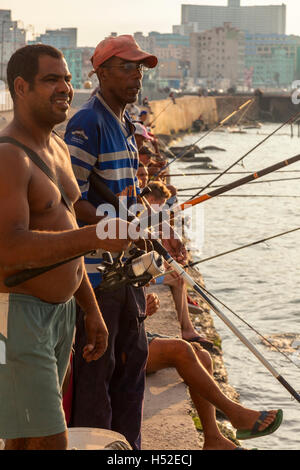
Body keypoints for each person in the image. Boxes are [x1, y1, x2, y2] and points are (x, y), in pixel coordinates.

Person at [0, 44, 129, 451]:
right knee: (50, 440)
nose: (66, 89)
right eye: (51, 80)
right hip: (18, 319)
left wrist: (89, 309)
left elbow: (64, 229)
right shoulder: (8, 157)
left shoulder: (55, 146)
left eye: (69, 80)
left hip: (59, 316)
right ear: (21, 87)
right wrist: (95, 237)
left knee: (24, 441)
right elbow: (8, 247)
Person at [64, 35, 186, 450]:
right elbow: (69, 199)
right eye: (127, 67)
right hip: (97, 281)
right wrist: (108, 226)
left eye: (141, 68)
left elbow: (125, 197)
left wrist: (140, 222)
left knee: (130, 379)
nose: (137, 76)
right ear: (100, 72)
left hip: (126, 278)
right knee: (97, 387)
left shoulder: (127, 125)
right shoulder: (88, 123)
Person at [145, 294, 283, 449]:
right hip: (120, 344)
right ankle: (235, 413)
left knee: (202, 357)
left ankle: (213, 438)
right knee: (182, 350)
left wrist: (150, 300)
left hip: (136, 331)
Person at [143, 181, 213, 350]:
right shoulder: (140, 211)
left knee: (178, 277)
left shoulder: (149, 212)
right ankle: (186, 330)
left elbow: (163, 227)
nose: (162, 208)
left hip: (147, 267)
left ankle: (186, 329)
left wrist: (175, 242)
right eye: (160, 204)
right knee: (177, 278)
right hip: (141, 273)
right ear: (150, 198)